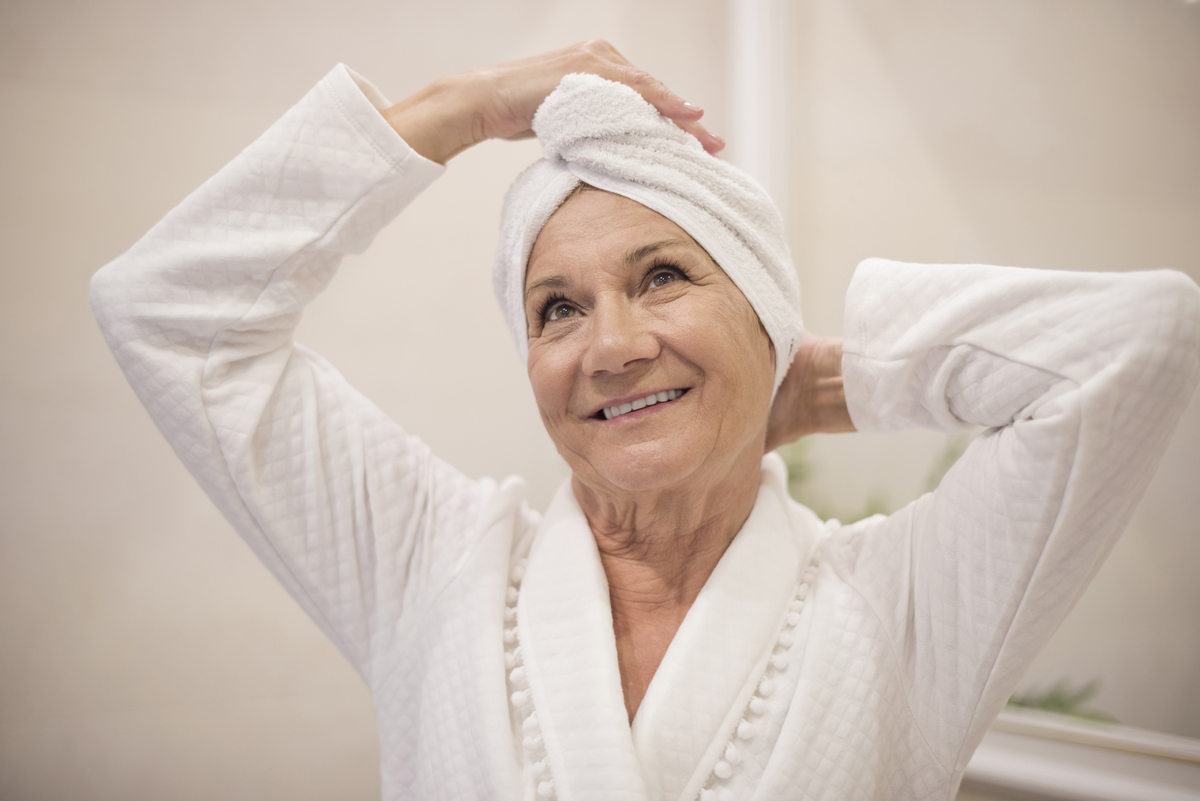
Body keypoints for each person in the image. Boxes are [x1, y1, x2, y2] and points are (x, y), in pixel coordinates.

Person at [90, 41, 1199, 801]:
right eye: (555, 307)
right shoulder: (434, 566)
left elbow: (1140, 338)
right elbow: (168, 312)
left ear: (766, 315)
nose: (609, 345)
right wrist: (462, 108)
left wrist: (833, 384)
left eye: (663, 276)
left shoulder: (902, 611)